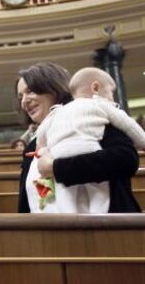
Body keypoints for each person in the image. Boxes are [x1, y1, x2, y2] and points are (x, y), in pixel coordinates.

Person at [16, 62, 141, 213]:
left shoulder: (93, 119)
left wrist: (55, 168)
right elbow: (25, 204)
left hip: (111, 228)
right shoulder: (32, 147)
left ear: (54, 89)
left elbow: (126, 160)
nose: (24, 102)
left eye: (30, 91)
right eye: (20, 96)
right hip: (51, 233)